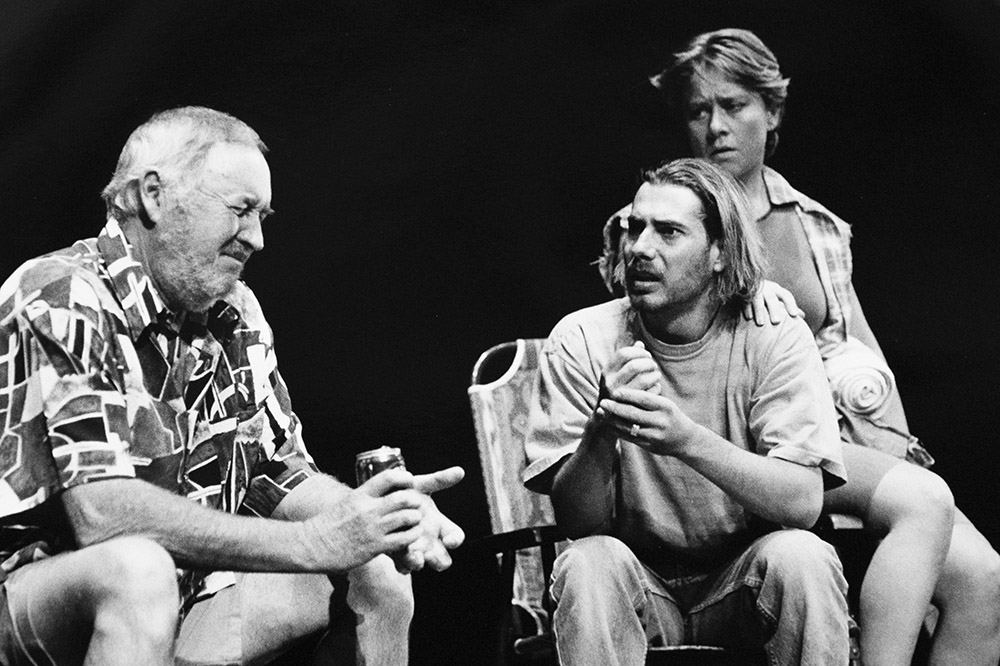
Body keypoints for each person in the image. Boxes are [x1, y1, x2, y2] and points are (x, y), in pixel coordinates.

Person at [0, 106, 466, 666]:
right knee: (137, 570)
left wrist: (378, 517)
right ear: (153, 195)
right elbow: (102, 514)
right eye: (241, 210)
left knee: (376, 562)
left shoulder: (234, 311)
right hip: (34, 597)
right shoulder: (61, 294)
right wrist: (316, 541)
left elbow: (277, 471)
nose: (258, 239)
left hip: (182, 597)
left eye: (263, 215)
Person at [604, 28, 1000, 665]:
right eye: (699, 111)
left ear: (773, 111)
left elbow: (859, 350)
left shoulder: (816, 226)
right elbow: (632, 329)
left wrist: (900, 450)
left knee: (983, 576)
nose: (716, 127)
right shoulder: (662, 224)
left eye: (734, 106)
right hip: (738, 442)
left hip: (833, 440)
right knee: (922, 505)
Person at [525, 157, 851, 664]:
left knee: (802, 556)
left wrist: (688, 441)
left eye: (669, 232)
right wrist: (601, 429)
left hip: (741, 580)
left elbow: (803, 503)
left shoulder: (772, 332)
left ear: (719, 252)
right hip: (637, 585)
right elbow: (576, 521)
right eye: (635, 229)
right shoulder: (584, 339)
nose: (640, 249)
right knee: (586, 562)